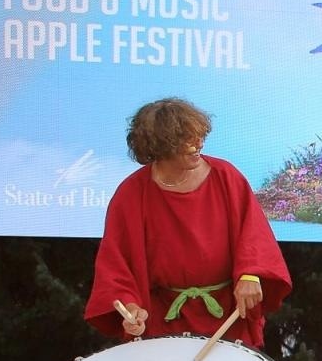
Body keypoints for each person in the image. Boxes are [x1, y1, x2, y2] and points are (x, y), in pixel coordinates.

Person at [86, 98, 290, 348]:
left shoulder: (226, 177)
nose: (199, 143)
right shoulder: (130, 194)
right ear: (161, 146)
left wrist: (251, 275)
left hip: (227, 317)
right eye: (187, 139)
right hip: (161, 322)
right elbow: (116, 266)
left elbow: (255, 236)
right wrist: (131, 309)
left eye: (199, 135)